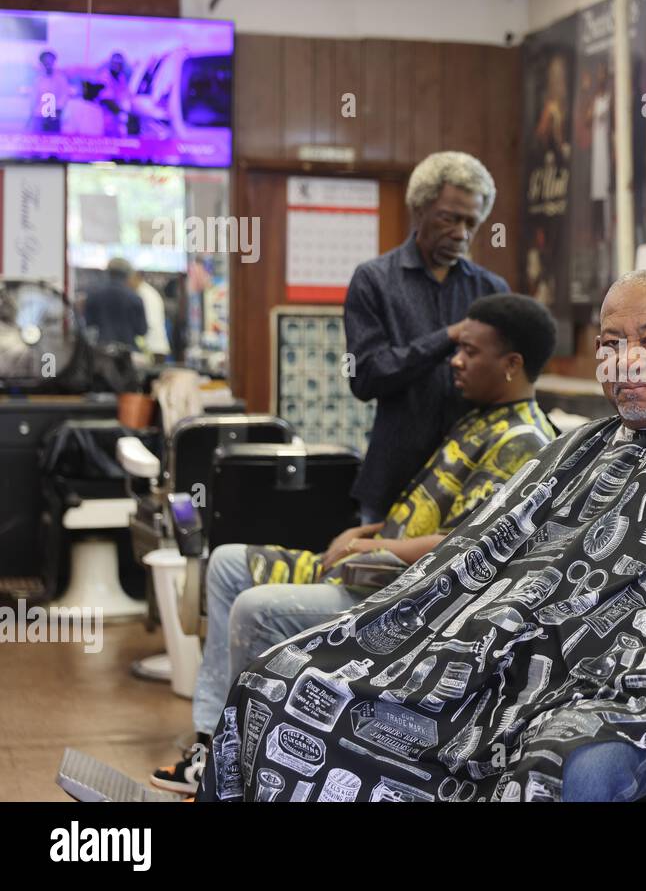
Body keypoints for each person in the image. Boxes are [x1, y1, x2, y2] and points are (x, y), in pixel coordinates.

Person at [197, 271, 646, 802]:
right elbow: (470, 561)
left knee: (561, 762)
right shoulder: (575, 451)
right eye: (613, 342)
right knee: (284, 685)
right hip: (503, 668)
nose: (630, 358)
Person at [152, 294, 558, 795]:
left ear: (512, 364)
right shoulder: (478, 417)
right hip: (374, 565)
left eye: (470, 352)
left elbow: (474, 545)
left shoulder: (525, 441)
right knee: (228, 564)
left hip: (403, 597)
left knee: (255, 609)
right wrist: (361, 537)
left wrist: (372, 552)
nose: (455, 360)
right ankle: (212, 740)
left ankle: (243, 766)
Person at [345, 151, 509, 524]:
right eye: (450, 218)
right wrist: (448, 337)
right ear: (419, 210)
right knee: (377, 581)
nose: (462, 233)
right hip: (393, 482)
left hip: (472, 484)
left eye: (472, 221)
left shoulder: (492, 289)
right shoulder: (374, 281)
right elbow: (366, 377)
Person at [83, 258, 148, 350]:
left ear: (108, 272)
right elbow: (142, 330)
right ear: (127, 274)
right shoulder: (135, 298)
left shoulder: (93, 294)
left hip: (101, 349)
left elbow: (88, 323)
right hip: (127, 351)